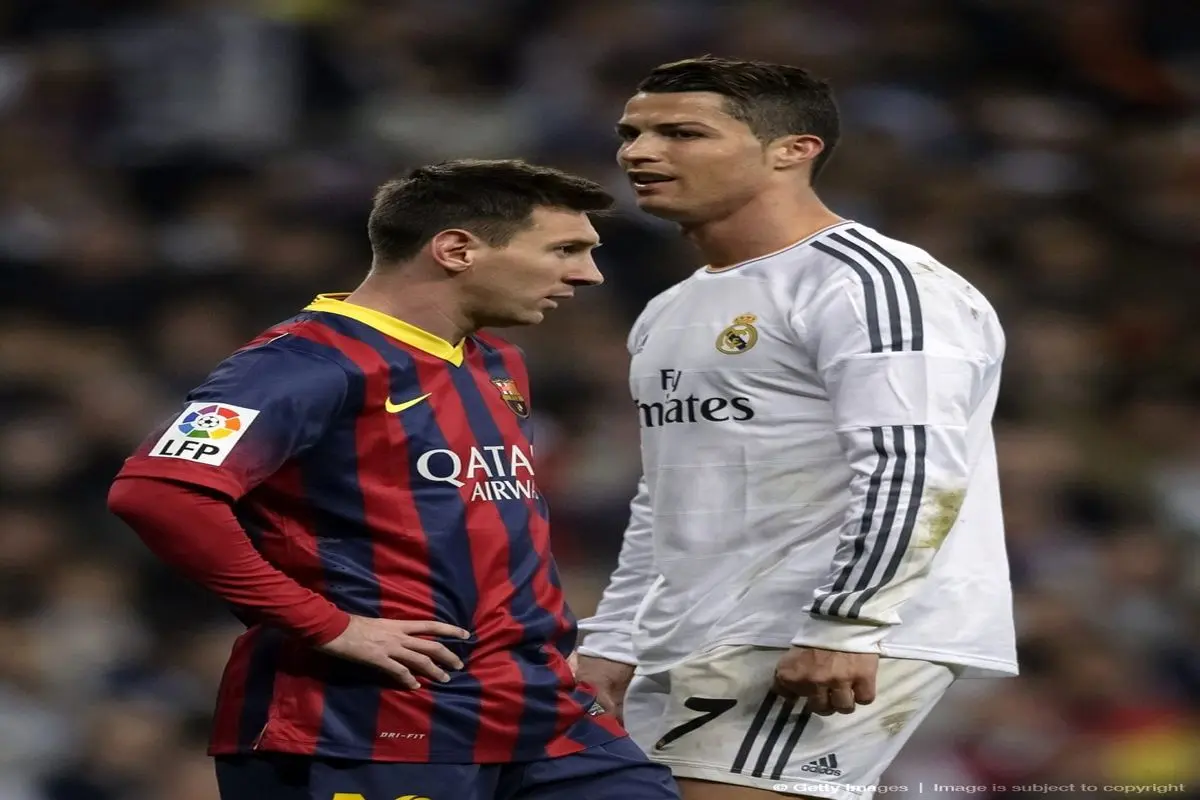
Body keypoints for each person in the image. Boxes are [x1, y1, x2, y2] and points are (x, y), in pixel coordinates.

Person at [108, 159, 681, 800]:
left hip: (538, 710)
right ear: (456, 249)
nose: (588, 274)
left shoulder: (497, 362)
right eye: (564, 250)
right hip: (367, 722)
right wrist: (328, 625)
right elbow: (159, 492)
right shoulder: (299, 365)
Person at [574, 56, 1018, 800]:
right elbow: (669, 492)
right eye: (632, 133)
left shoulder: (872, 283)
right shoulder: (671, 308)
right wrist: (616, 638)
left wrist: (846, 624)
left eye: (682, 133)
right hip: (694, 628)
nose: (640, 153)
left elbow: (913, 467)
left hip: (818, 627)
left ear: (793, 150)